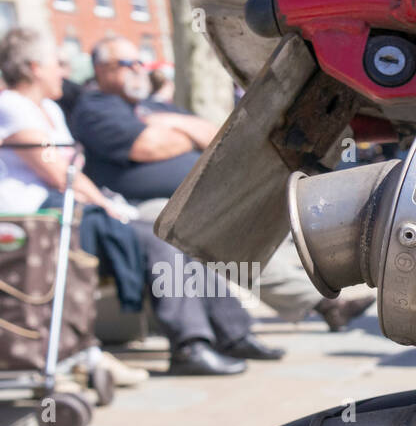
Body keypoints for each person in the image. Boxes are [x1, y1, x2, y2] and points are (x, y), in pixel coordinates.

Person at [74, 38, 372, 339]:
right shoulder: (95, 106)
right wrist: (179, 133)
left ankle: (319, 304)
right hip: (137, 206)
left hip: (192, 199)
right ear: (101, 69)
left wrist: (171, 124)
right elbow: (148, 146)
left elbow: (212, 138)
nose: (139, 70)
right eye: (128, 64)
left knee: (245, 232)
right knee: (215, 237)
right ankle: (296, 312)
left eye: (141, 62)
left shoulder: (152, 106)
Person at [0, 27, 148, 387]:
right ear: (35, 67)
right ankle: (57, 355)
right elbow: (56, 168)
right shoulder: (10, 106)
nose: (63, 72)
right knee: (102, 231)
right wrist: (104, 203)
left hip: (59, 211)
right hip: (30, 217)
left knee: (116, 233)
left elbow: (67, 170)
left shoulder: (49, 109)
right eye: (57, 64)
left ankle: (79, 351)